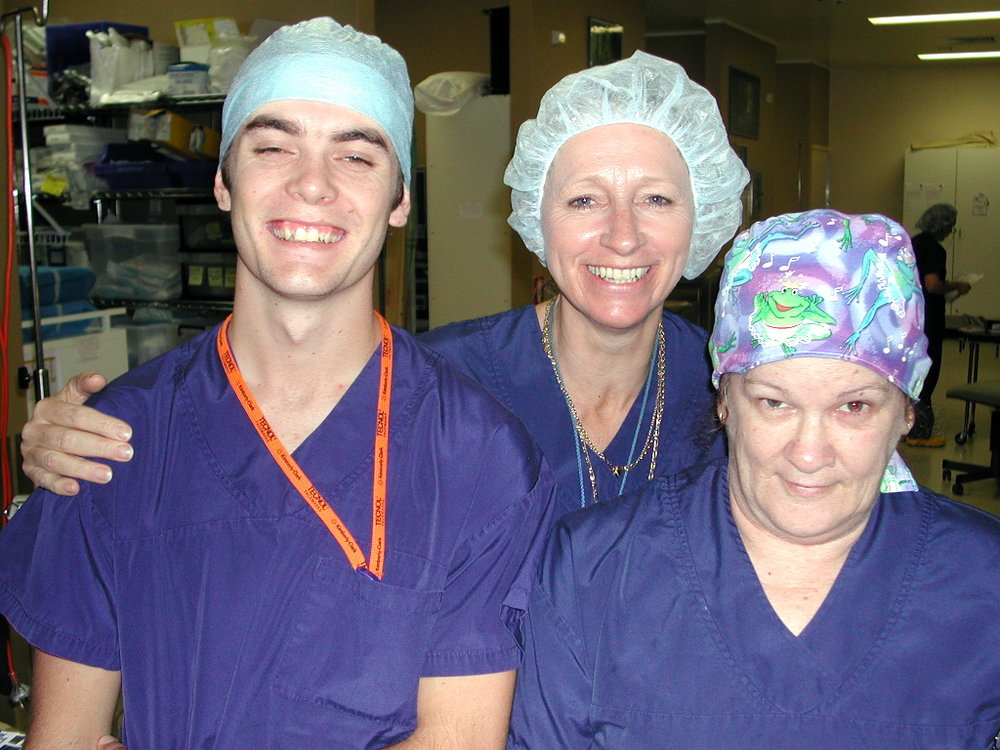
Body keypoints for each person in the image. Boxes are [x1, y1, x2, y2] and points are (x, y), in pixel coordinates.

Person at [0, 18, 555, 749]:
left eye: (356, 156)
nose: (312, 184)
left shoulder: (477, 458)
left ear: (400, 200)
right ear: (224, 181)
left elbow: (459, 737)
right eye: (273, 146)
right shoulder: (112, 443)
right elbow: (65, 736)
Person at [20, 51, 750, 522]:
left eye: (656, 199)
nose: (622, 236)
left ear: (703, 219)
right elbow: (264, 474)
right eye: (585, 199)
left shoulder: (744, 390)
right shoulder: (438, 382)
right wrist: (93, 442)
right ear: (536, 219)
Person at [508, 209, 1000, 748]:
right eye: (774, 403)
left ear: (906, 411)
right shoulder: (592, 569)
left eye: (854, 407)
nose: (809, 453)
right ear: (724, 401)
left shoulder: (983, 580)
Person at [907, 202, 969, 447]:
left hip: (909, 317)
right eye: (950, 227)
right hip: (929, 319)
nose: (950, 232)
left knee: (913, 373)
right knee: (928, 375)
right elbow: (932, 285)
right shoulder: (934, 249)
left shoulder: (913, 243)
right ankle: (920, 433)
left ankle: (906, 427)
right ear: (943, 226)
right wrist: (956, 286)